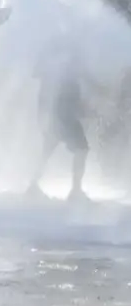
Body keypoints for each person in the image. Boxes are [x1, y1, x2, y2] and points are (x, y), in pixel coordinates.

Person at [27, 43, 99, 202]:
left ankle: (33, 185)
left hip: (53, 115)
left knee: (47, 150)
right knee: (81, 149)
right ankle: (75, 190)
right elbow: (71, 95)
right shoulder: (65, 62)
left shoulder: (55, 62)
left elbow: (38, 75)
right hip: (63, 116)